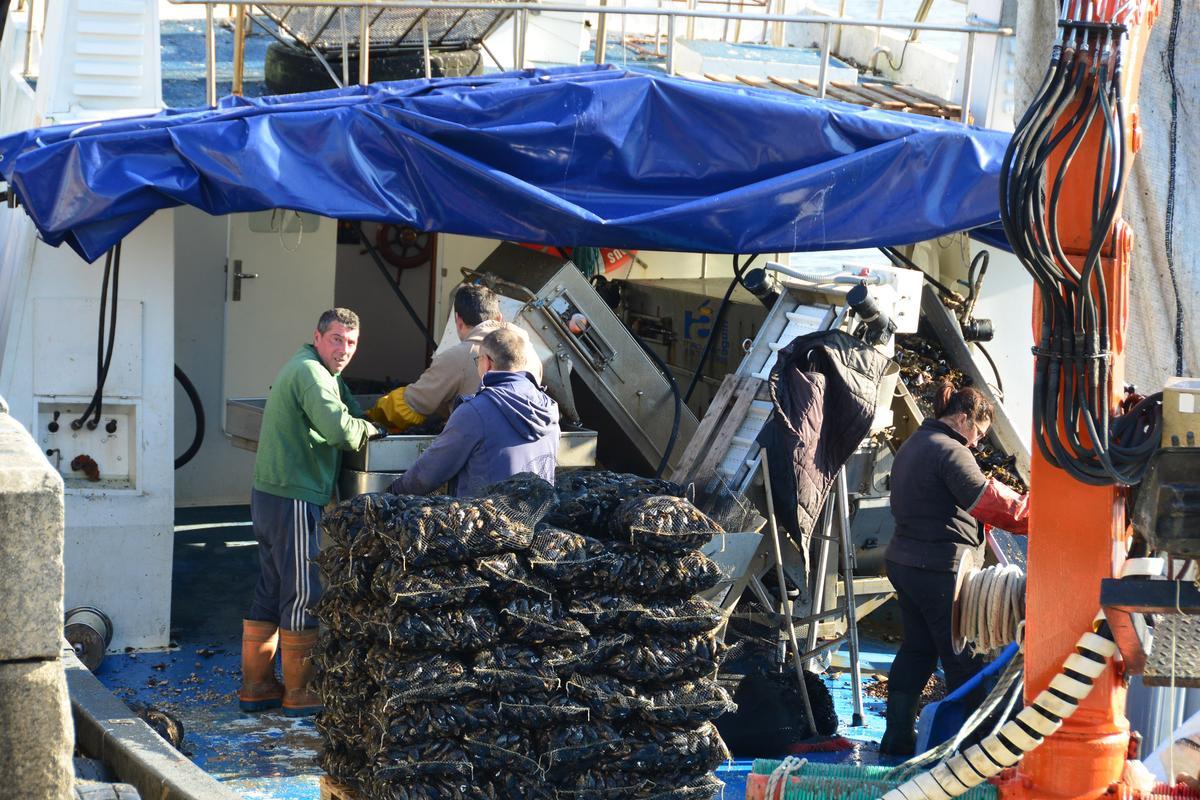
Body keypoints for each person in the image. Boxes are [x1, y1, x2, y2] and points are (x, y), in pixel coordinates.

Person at [239, 308, 385, 717]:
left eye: (351, 343)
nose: (343, 350)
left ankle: (257, 685)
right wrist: (371, 431)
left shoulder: (321, 372)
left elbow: (350, 410)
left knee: (271, 588)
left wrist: (366, 418)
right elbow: (342, 429)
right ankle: (300, 692)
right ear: (318, 337)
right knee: (303, 590)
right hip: (294, 495)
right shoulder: (311, 373)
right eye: (337, 339)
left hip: (270, 493)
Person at [879, 383, 1029, 756]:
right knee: (963, 657)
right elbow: (986, 501)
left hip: (904, 562)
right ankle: (976, 747)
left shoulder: (917, 442)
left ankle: (897, 736)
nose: (978, 443)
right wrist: (1041, 514)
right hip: (939, 570)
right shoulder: (952, 451)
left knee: (917, 649)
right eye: (978, 432)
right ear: (962, 418)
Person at [389, 327, 559, 498]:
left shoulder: (475, 411)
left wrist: (392, 492)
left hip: (487, 521)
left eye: (478, 359)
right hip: (537, 519)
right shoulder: (549, 409)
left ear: (487, 362)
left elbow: (429, 473)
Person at [367, 284, 543, 431]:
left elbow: (410, 404)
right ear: (499, 317)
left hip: (481, 454)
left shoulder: (461, 356)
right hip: (527, 446)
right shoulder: (529, 349)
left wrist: (369, 416)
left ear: (458, 320)